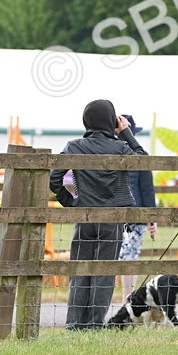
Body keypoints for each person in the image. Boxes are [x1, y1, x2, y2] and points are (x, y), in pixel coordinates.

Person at [49, 100, 147, 330]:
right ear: (111, 121)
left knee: (79, 270)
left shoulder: (74, 146)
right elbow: (143, 159)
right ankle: (94, 324)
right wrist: (126, 133)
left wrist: (72, 204)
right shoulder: (121, 148)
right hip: (112, 218)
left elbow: (54, 179)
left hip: (84, 216)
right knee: (104, 273)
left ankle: (74, 324)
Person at [118, 115, 158, 299]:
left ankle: (127, 297)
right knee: (130, 258)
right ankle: (128, 297)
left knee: (122, 257)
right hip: (138, 214)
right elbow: (147, 189)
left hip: (117, 214)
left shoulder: (111, 153)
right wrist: (152, 218)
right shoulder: (140, 156)